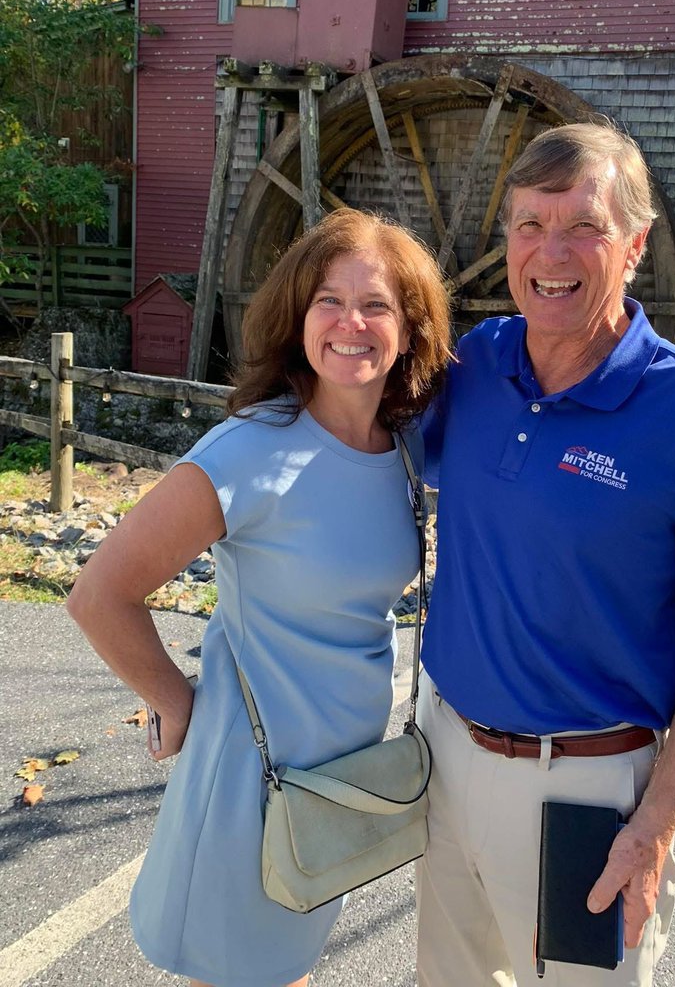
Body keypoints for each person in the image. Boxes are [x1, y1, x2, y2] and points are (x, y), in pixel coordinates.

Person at [416, 122, 675, 987]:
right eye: (530, 224)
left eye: (584, 225)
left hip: (588, 793)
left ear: (636, 245)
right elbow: (349, 435)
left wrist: (653, 826)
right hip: (442, 755)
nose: (551, 250)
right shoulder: (472, 366)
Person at [67, 209, 452, 987]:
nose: (353, 323)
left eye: (377, 305)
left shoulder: (402, 447)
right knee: (240, 970)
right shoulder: (252, 449)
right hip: (252, 779)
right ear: (299, 318)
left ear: (410, 331)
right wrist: (173, 700)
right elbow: (99, 593)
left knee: (286, 966)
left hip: (341, 784)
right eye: (329, 302)